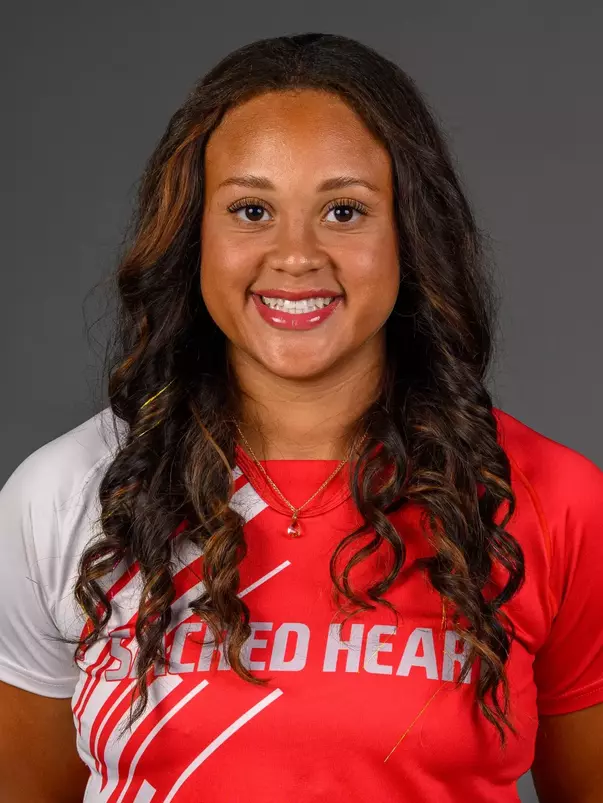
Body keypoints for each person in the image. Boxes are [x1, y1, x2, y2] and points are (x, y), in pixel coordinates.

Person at [0, 31, 602, 803]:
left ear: (408, 236)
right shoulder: (67, 495)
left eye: (343, 211)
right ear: (195, 236)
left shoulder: (550, 498)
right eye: (251, 209)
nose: (295, 255)